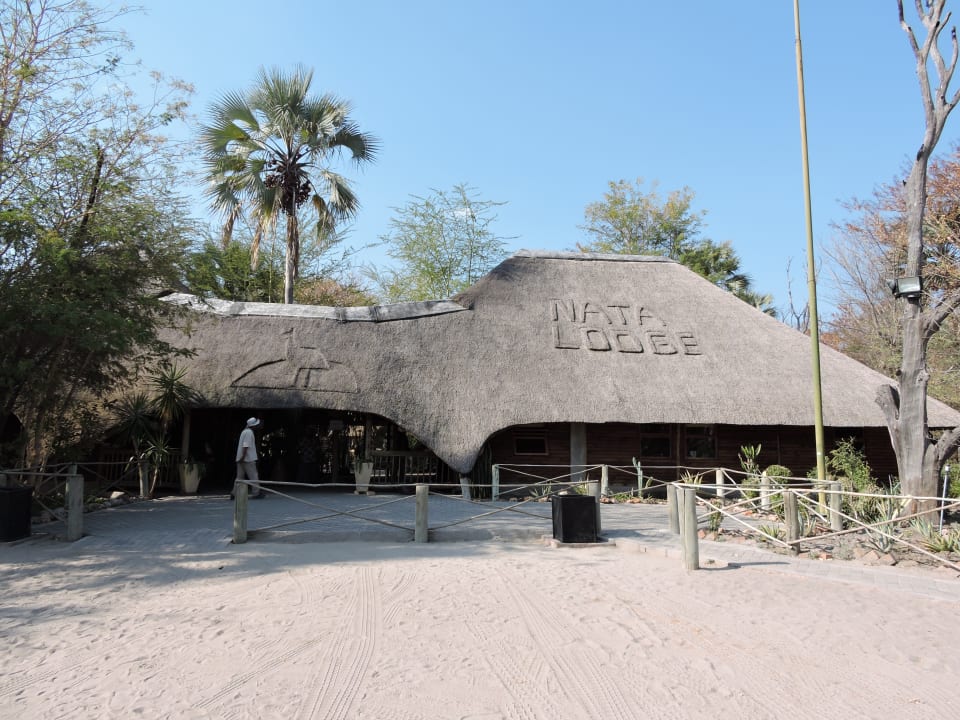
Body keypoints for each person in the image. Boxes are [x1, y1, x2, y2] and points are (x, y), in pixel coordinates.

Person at [234, 417, 264, 499]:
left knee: (239, 477)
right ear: (253, 426)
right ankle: (256, 493)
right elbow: (246, 445)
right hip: (248, 459)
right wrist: (243, 457)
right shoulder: (249, 432)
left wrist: (241, 457)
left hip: (241, 458)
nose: (258, 426)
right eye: (257, 425)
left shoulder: (244, 431)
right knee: (253, 476)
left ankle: (234, 493)